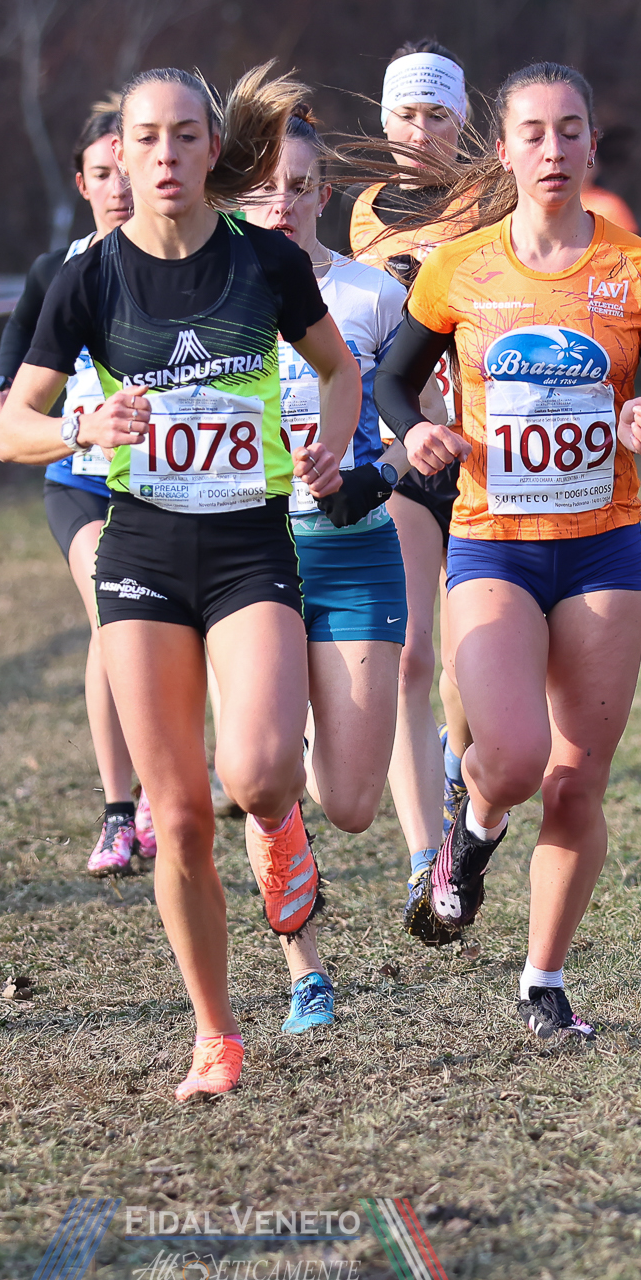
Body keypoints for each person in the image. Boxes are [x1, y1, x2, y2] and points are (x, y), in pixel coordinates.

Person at [0, 64, 366, 1102]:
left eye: (184, 136)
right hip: (144, 558)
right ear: (122, 152)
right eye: (146, 139)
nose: (164, 157)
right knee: (183, 815)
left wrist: (331, 446)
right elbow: (12, 427)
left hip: (248, 549)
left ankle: (282, 832)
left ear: (212, 149)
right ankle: (215, 1035)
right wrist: (82, 425)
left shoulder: (264, 261)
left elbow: (340, 371)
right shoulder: (89, 278)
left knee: (258, 773)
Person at [372, 62, 641, 1042]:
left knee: (575, 782)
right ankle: (471, 837)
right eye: (533, 132)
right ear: (504, 150)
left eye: (569, 131)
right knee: (511, 759)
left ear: (591, 145)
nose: (552, 149)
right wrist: (416, 433)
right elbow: (392, 381)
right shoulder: (459, 268)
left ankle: (543, 979)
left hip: (603, 550)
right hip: (494, 544)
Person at [238, 109, 409, 1035]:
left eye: (299, 186)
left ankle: (297, 767)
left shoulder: (373, 295)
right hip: (248, 559)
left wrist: (368, 476)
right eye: (265, 188)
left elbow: (425, 433)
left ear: (324, 194)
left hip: (353, 551)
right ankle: (303, 969)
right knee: (264, 777)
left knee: (348, 804)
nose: (283, 204)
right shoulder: (210, 296)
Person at [0, 98, 152, 874]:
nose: (120, 188)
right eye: (103, 174)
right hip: (78, 477)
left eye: (128, 171)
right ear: (83, 184)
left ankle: (159, 791)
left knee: (158, 628)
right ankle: (120, 810)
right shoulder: (58, 271)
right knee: (112, 613)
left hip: (158, 479)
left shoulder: (177, 265)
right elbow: (18, 344)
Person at [340, 41, 476, 934]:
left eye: (435, 115)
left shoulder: (493, 202)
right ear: (384, 118)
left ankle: (461, 773)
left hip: (487, 450)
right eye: (404, 114)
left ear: (461, 120)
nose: (418, 131)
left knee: (472, 661)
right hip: (401, 449)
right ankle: (427, 856)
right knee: (411, 651)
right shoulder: (360, 214)